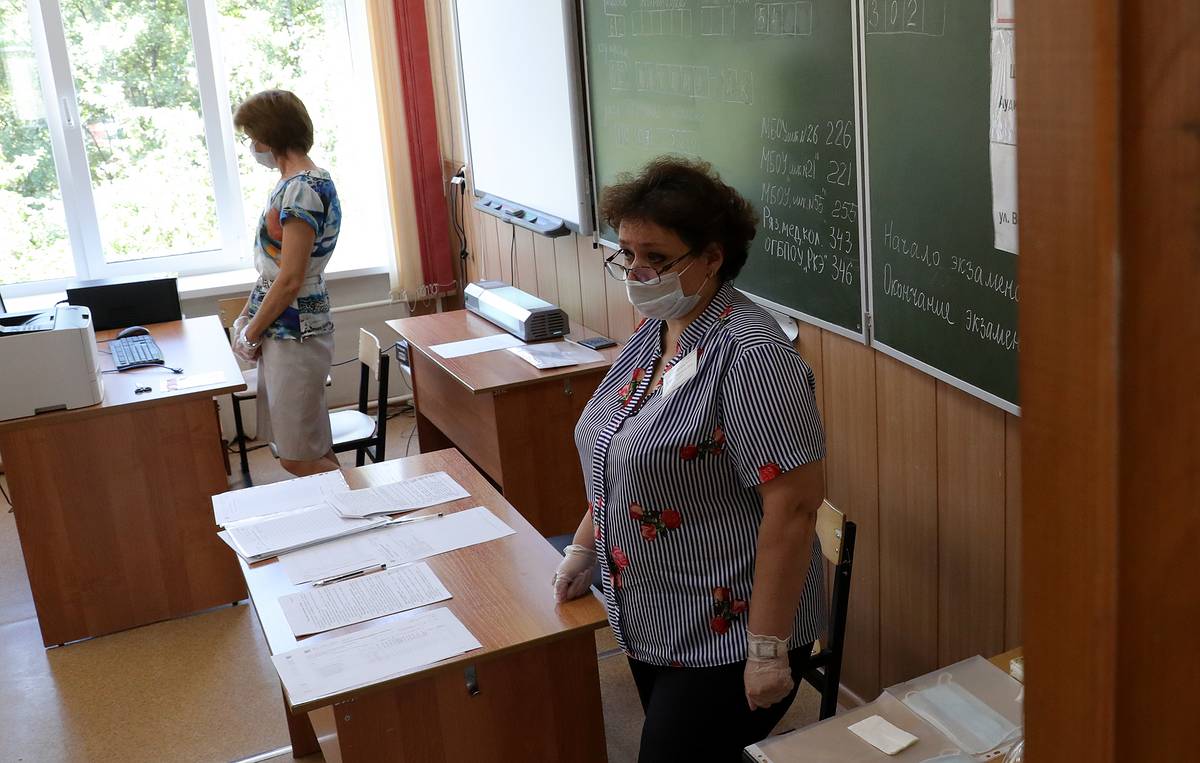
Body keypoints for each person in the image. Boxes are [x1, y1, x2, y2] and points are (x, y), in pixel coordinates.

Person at [555, 156, 828, 761]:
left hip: (728, 630)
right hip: (652, 608)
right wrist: (584, 546)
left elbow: (794, 508)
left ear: (711, 257)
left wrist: (767, 648)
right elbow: (617, 454)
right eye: (627, 253)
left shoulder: (755, 357)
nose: (637, 272)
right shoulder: (658, 328)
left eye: (656, 257)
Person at [230, 89, 342, 477]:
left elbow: (290, 277)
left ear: (269, 136)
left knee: (296, 455)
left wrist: (251, 333)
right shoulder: (299, 183)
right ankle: (356, 509)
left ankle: (372, 503)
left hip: (296, 330)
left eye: (251, 136)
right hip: (291, 326)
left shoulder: (301, 188)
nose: (252, 146)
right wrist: (249, 317)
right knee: (310, 446)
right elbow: (275, 272)